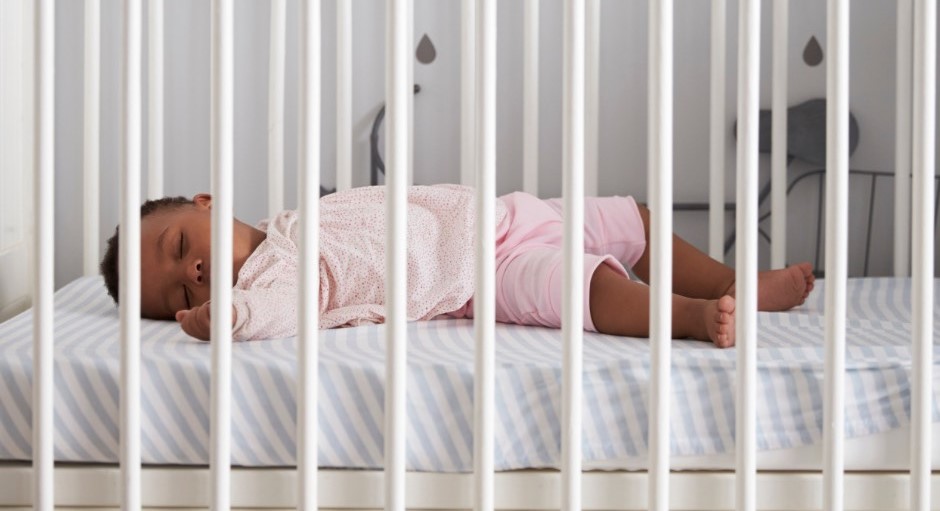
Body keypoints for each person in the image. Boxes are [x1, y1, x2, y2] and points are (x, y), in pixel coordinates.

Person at [99, 184, 814, 346]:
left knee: (631, 217)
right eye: (174, 296)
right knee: (584, 282)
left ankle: (731, 281)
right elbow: (286, 312)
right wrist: (225, 315)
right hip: (477, 279)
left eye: (180, 246)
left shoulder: (294, 220)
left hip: (501, 215)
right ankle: (690, 316)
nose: (191, 270)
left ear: (207, 200)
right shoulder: (271, 279)